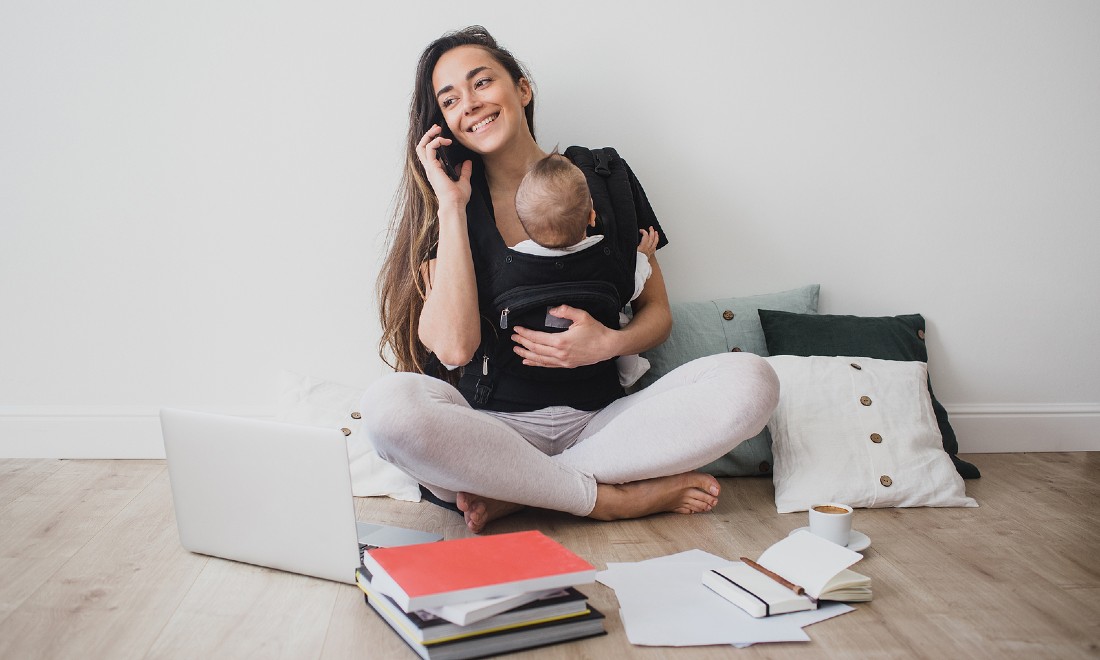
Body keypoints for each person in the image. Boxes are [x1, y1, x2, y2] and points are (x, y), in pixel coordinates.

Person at [367, 25, 779, 534]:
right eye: (450, 100)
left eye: (481, 83)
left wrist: (609, 343)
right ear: (444, 123)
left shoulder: (604, 177)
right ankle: (604, 500)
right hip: (494, 434)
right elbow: (453, 349)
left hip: (603, 427)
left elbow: (657, 314)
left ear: (522, 89)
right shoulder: (450, 203)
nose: (469, 104)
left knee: (752, 380)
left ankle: (522, 494)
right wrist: (451, 206)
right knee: (388, 411)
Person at [511, 151, 658, 388]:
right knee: (621, 322)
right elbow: (630, 288)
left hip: (532, 343)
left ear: (524, 225)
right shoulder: (604, 255)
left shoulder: (516, 256)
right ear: (592, 216)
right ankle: (630, 373)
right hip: (595, 343)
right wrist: (642, 256)